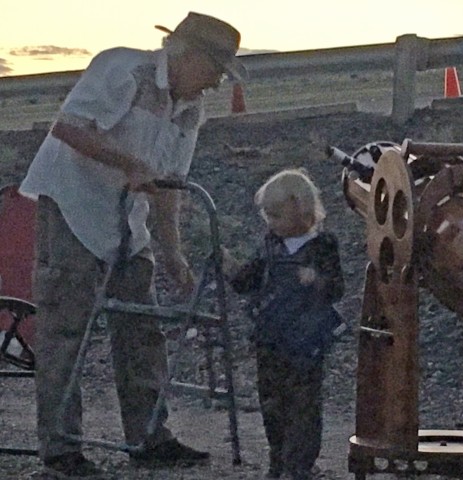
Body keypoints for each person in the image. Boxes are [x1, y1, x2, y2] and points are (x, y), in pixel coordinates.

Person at [18, 11, 247, 479]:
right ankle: (61, 449)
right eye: (215, 69)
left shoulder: (189, 109)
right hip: (73, 206)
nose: (216, 83)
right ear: (185, 54)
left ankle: (149, 437)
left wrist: (172, 253)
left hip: (127, 223)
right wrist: (130, 164)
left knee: (143, 329)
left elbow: (168, 185)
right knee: (66, 330)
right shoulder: (122, 69)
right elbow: (66, 127)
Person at [223, 169, 345, 480]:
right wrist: (230, 267)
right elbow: (247, 281)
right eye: (268, 216)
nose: (271, 223)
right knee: (272, 405)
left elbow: (336, 289)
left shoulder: (322, 246)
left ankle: (299, 465)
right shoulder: (270, 247)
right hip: (270, 340)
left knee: (303, 407)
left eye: (277, 215)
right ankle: (278, 459)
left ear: (301, 208)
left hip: (306, 343)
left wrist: (317, 279)